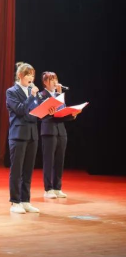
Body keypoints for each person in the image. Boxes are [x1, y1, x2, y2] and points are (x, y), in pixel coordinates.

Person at [6, 62, 55, 214]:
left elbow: (37, 113)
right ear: (20, 75)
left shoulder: (34, 93)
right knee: (17, 170)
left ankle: (25, 201)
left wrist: (48, 111)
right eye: (28, 75)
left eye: (32, 75)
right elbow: (20, 110)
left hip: (33, 134)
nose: (31, 78)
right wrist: (31, 96)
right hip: (18, 135)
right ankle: (15, 202)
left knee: (28, 170)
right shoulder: (11, 92)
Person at [40, 71, 78, 199]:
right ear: (45, 82)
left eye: (55, 79)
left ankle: (57, 188)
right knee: (49, 160)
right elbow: (43, 114)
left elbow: (62, 114)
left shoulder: (59, 95)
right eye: (51, 80)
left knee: (59, 160)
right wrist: (57, 98)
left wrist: (72, 115)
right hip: (48, 130)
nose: (55, 82)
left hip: (61, 131)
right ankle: (48, 189)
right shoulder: (42, 95)